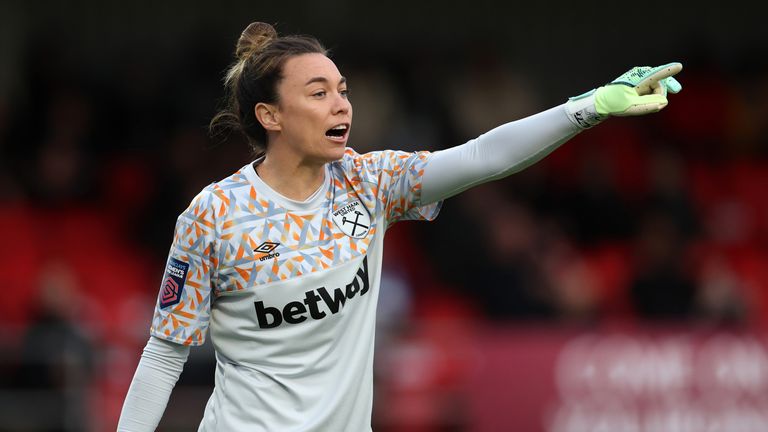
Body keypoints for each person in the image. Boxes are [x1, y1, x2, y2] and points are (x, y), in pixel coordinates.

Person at [117, 21, 683, 431]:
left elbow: (482, 156)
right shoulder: (212, 217)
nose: (341, 106)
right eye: (319, 93)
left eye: (343, 91)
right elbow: (164, 354)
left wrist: (588, 107)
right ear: (271, 117)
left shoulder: (370, 182)